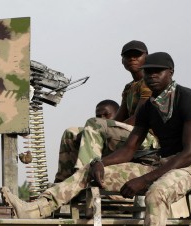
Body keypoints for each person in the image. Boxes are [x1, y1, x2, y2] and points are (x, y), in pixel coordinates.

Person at [2, 52, 191, 226]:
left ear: (170, 73)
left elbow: (190, 153)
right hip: (157, 165)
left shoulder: (189, 99)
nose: (152, 75)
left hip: (189, 167)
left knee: (157, 193)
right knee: (90, 172)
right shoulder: (149, 107)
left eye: (158, 71)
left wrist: (143, 179)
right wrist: (100, 162)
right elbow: (129, 148)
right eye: (148, 71)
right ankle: (38, 208)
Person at [54, 41, 155, 182]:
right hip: (130, 132)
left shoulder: (149, 82)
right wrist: (105, 129)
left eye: (137, 55)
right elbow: (117, 120)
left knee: (95, 123)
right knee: (71, 132)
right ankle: (62, 181)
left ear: (146, 57)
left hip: (144, 137)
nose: (132, 58)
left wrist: (105, 129)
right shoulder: (129, 87)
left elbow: (138, 118)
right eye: (127, 56)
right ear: (122, 61)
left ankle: (83, 176)